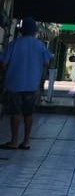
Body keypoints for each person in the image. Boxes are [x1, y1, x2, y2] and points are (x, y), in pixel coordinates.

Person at [0, 17, 53, 150]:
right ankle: (26, 141)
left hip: (14, 84)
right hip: (32, 85)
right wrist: (40, 81)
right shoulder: (40, 46)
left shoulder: (14, 44)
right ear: (34, 31)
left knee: (15, 113)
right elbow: (47, 63)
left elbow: (3, 63)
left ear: (21, 31)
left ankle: (14, 142)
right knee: (28, 114)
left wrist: (5, 75)